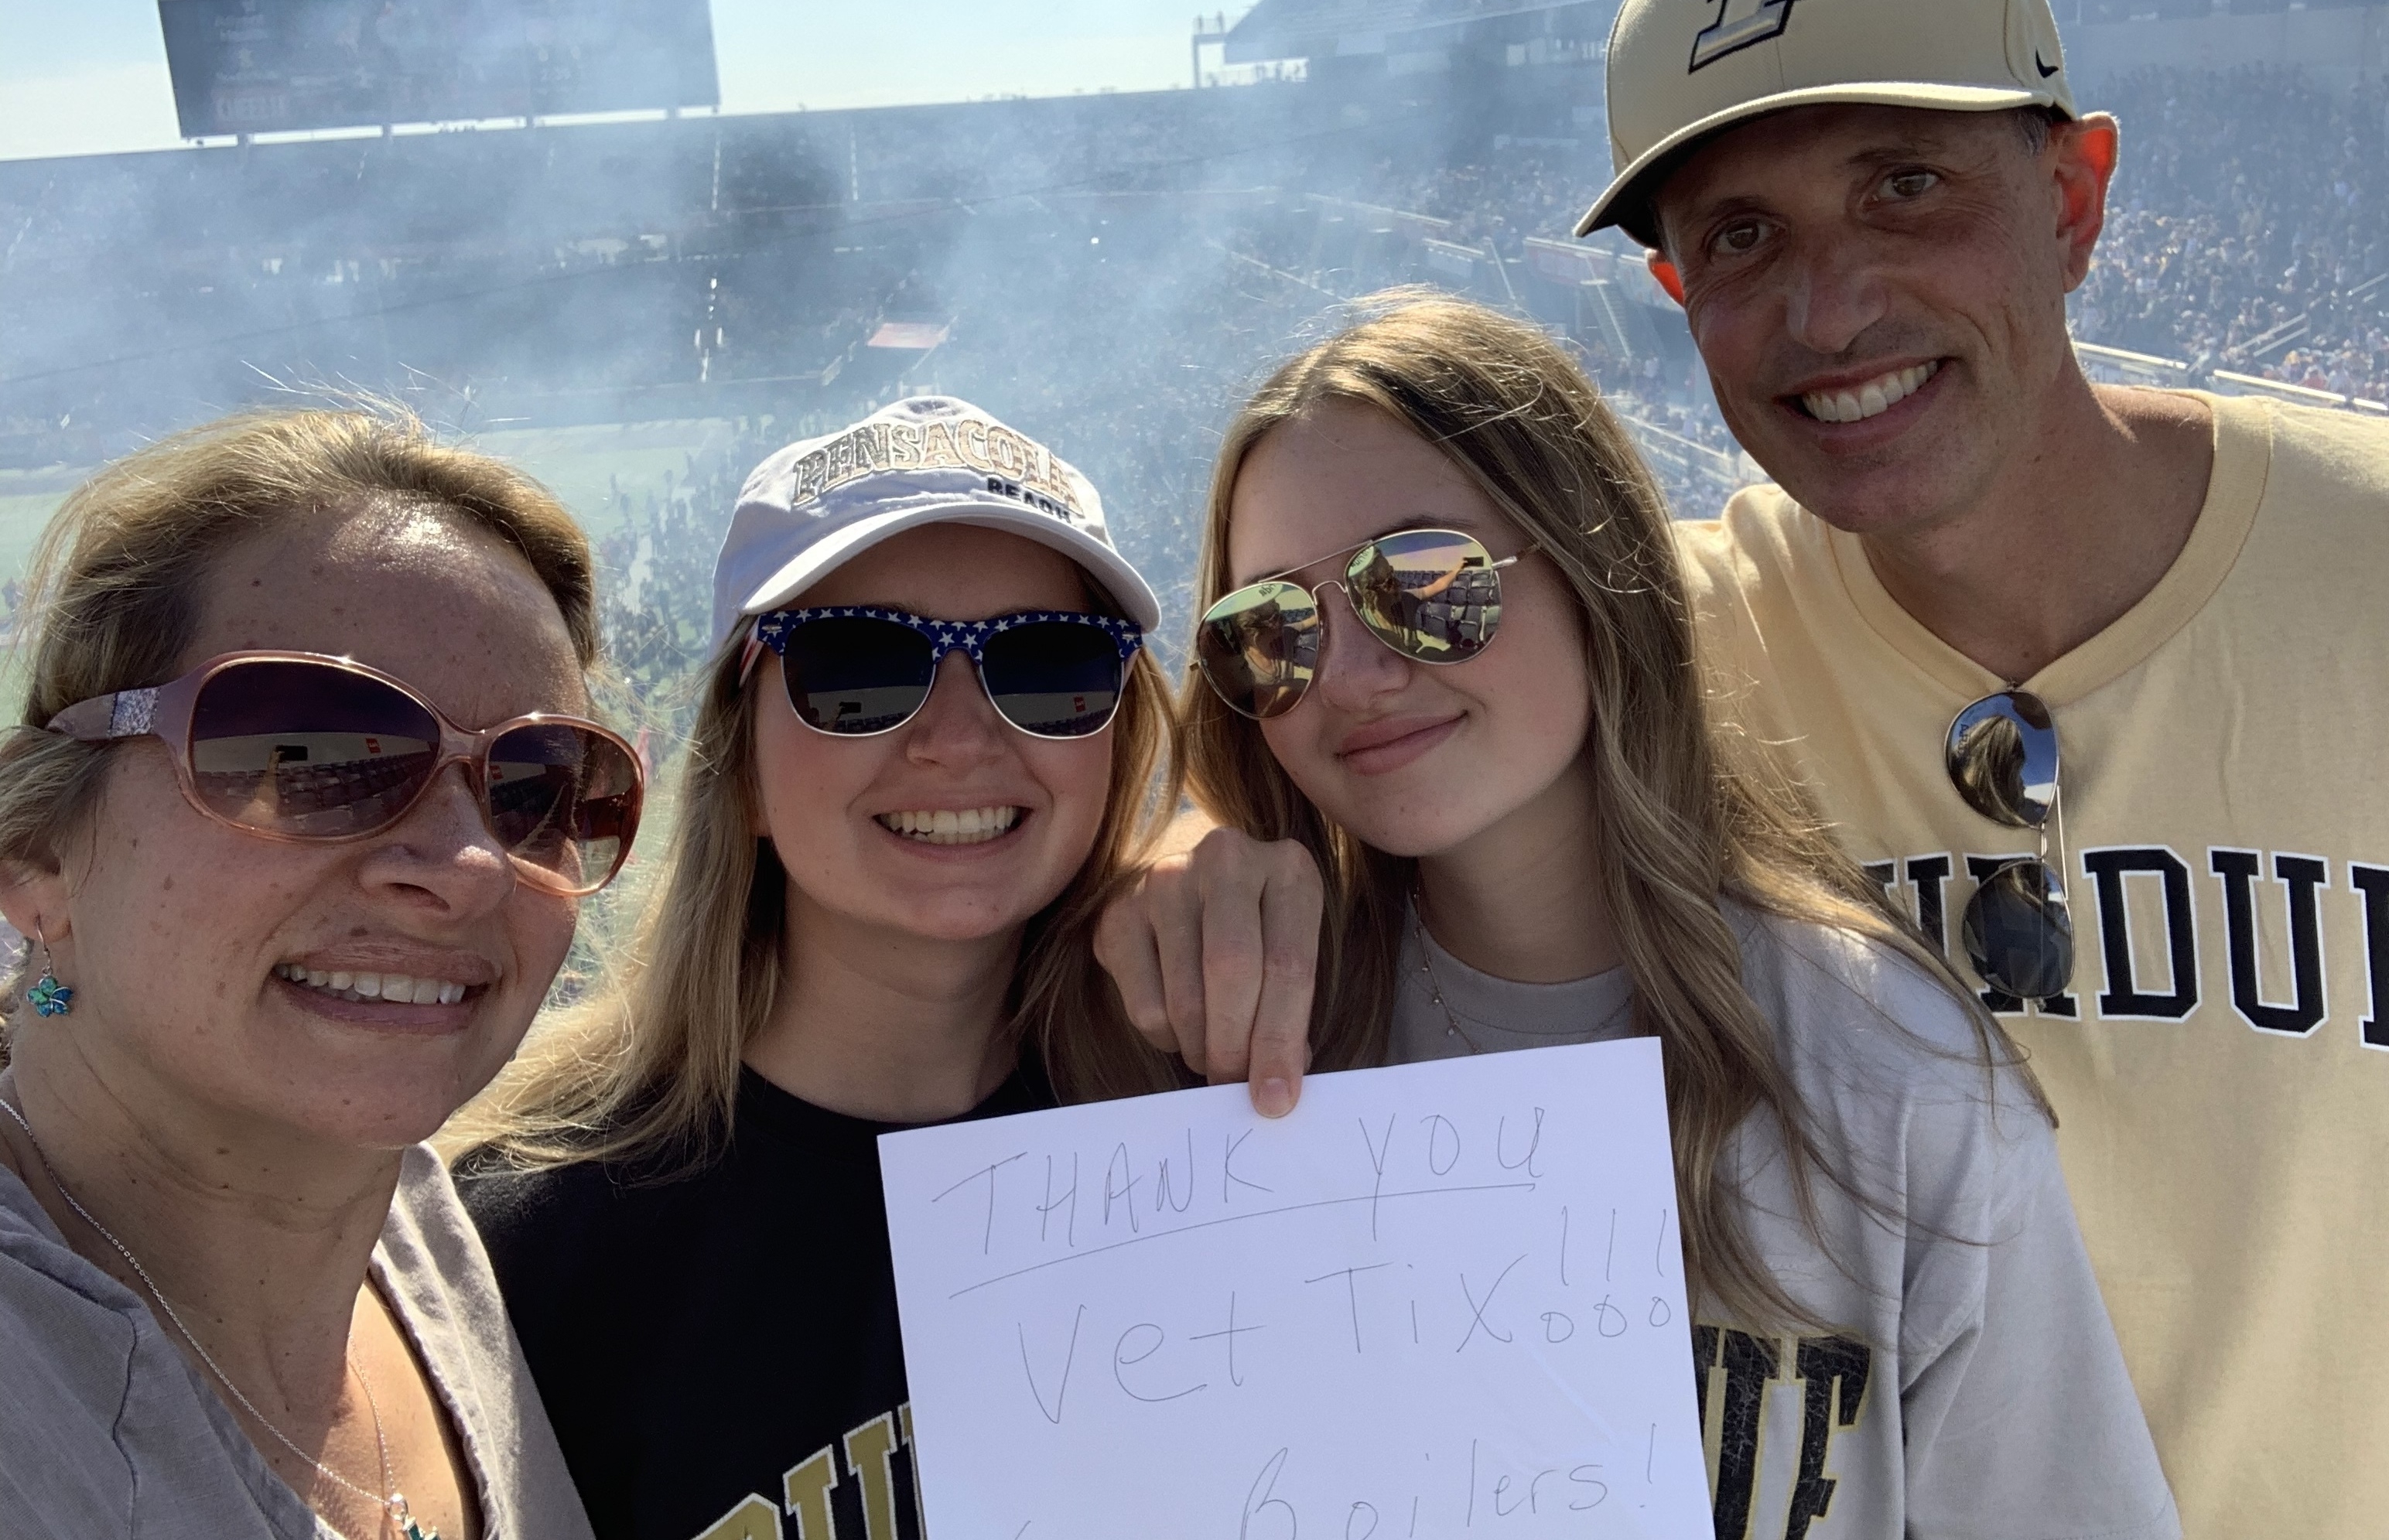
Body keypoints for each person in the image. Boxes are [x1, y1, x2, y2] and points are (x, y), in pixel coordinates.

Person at [1105, 0, 2389, 1532]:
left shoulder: (2361, 560)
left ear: (2071, 198)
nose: (1828, 310)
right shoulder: (1667, 631)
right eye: (1737, 236)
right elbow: (1357, 706)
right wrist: (1187, 853)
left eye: (1902, 184)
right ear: (1674, 289)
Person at [1151, 292, 2175, 1535]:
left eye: (1423, 581)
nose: (1355, 677)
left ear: (1597, 570)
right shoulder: (1231, 1051)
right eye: (1273, 630)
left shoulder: (1896, 1080)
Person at [455, 397, 1181, 1540]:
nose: (959, 739)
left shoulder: (1214, 1137)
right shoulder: (529, 1252)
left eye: (1050, 665)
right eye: (859, 667)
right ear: (739, 762)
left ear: (1116, 740)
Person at [0, 409, 647, 1540]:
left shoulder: (418, 1228)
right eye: (311, 754)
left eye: (536, 787)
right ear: (39, 855)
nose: (467, 866)